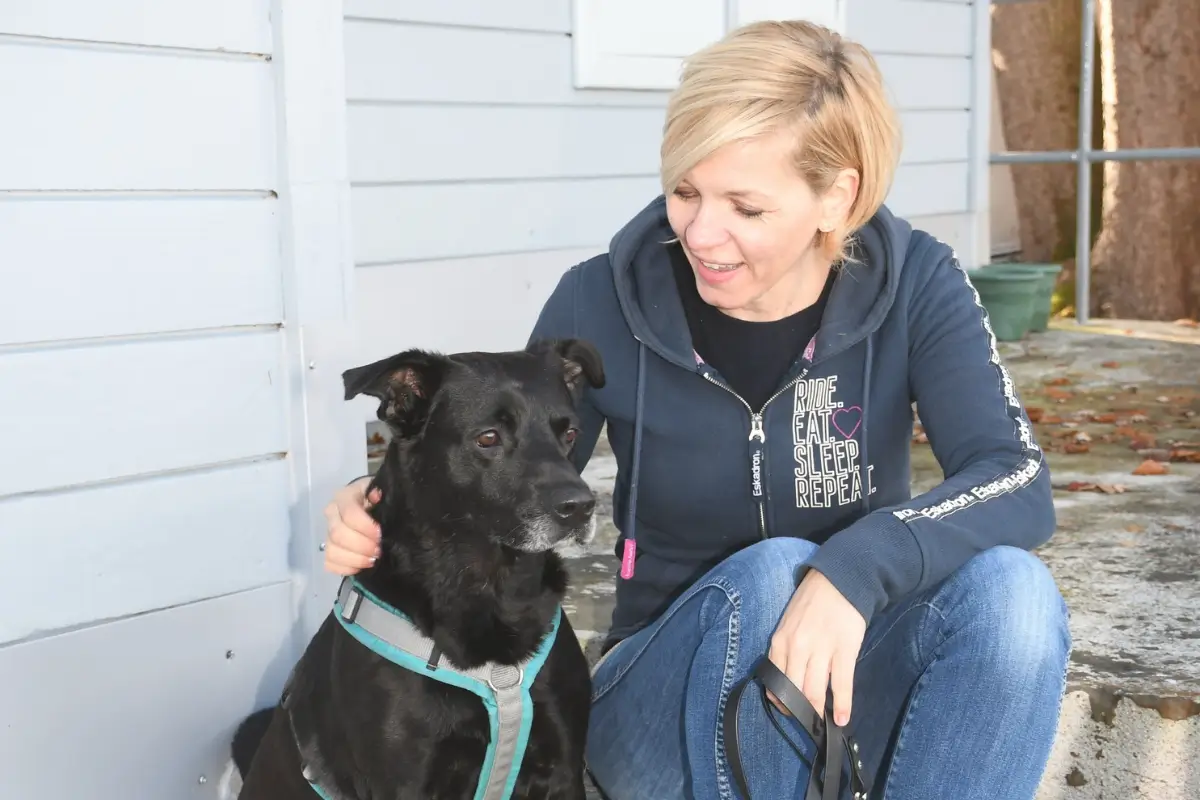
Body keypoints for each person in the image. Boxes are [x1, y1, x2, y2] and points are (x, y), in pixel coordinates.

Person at [321, 19, 1071, 800]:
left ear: (836, 197)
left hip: (844, 676)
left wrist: (856, 569)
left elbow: (1015, 476)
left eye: (744, 207)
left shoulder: (916, 282)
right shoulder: (602, 294)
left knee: (1016, 596)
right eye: (685, 191)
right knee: (776, 571)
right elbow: (512, 474)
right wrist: (383, 499)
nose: (701, 234)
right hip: (660, 705)